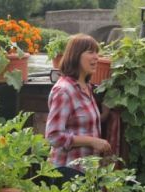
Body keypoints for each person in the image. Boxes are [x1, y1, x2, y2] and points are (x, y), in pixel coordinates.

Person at [45, 33, 111, 183]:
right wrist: (92, 141)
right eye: (90, 52)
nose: (96, 57)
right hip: (66, 174)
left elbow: (81, 123)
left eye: (97, 52)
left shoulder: (86, 87)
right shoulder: (64, 90)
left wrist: (106, 113)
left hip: (85, 172)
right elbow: (53, 136)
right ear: (75, 56)